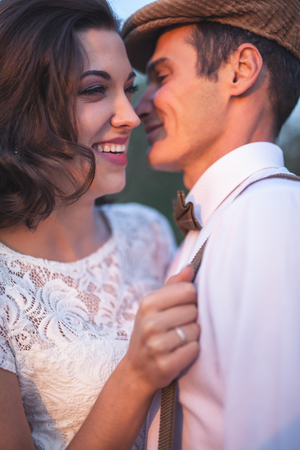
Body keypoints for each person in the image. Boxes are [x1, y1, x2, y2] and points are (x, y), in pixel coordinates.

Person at [0, 0, 201, 449]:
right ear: (22, 111)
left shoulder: (145, 232)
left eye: (129, 88)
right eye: (94, 90)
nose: (130, 114)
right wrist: (134, 376)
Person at [122, 0, 300, 448]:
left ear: (240, 71)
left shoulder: (274, 218)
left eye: (161, 76)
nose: (139, 107)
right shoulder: (217, 223)